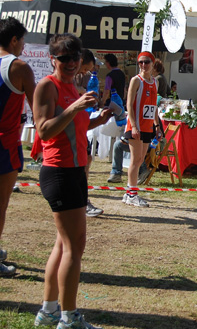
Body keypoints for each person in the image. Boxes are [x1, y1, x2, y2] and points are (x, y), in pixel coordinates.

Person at [32, 33, 110, 328]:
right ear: (53, 59)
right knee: (74, 247)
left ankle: (50, 310)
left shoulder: (73, 86)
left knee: (63, 245)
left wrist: (96, 121)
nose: (70, 63)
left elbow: (73, 127)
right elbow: (44, 131)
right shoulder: (47, 87)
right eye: (63, 58)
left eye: (74, 58)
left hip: (76, 170)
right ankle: (68, 317)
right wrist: (75, 107)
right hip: (59, 171)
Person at [0, 17, 36, 277]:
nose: (23, 45)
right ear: (14, 40)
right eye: (22, 40)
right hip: (5, 143)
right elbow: (40, 107)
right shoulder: (19, 67)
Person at [122, 52, 161, 207]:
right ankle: (132, 193)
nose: (143, 65)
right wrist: (133, 125)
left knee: (140, 160)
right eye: (140, 62)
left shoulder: (154, 82)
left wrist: (157, 125)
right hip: (136, 126)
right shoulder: (136, 80)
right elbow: (129, 104)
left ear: (152, 64)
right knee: (135, 159)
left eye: (146, 62)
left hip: (147, 126)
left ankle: (129, 192)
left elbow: (153, 107)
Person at [75, 49, 104, 218]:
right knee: (84, 161)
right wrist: (82, 94)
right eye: (87, 68)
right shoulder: (68, 77)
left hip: (80, 125)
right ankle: (82, 202)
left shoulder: (79, 76)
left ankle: (83, 201)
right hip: (70, 130)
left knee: (87, 159)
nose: (88, 72)